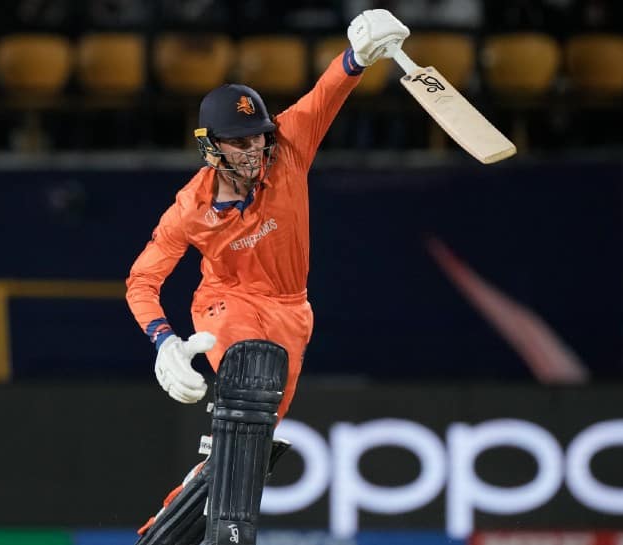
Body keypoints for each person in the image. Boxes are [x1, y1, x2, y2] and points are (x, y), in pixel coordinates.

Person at [125, 8, 411, 545]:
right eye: (240, 141)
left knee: (249, 443)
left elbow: (327, 91)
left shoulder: (289, 147)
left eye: (257, 136)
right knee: (246, 377)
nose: (255, 147)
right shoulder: (190, 207)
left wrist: (358, 54)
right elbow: (141, 281)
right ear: (211, 145)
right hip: (225, 304)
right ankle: (224, 437)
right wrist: (163, 342)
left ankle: (170, 524)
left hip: (292, 311)